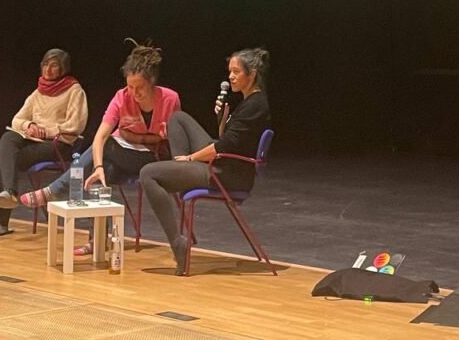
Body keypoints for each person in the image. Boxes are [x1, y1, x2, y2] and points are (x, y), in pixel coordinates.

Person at [19, 39, 180, 255]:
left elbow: (168, 140)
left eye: (139, 87)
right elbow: (100, 136)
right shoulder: (121, 97)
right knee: (94, 178)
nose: (134, 93)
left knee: (109, 146)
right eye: (130, 86)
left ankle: (54, 190)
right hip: (120, 155)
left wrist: (136, 137)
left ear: (152, 83)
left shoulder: (170, 99)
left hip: (152, 161)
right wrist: (99, 168)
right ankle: (97, 240)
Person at [139, 47, 271, 273]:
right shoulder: (248, 101)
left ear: (253, 74)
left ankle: (178, 243)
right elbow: (226, 137)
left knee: (147, 174)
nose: (230, 77)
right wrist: (222, 118)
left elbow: (223, 146)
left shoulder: (256, 105)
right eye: (230, 71)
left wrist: (191, 158)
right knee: (178, 119)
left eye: (236, 72)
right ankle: (180, 175)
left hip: (228, 174)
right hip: (224, 163)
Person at [0, 48, 88, 236]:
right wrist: (29, 125)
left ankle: (1, 220)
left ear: (63, 68)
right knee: (8, 139)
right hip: (35, 141)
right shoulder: (39, 92)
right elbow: (16, 120)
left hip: (59, 145)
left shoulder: (74, 90)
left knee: (6, 160)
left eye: (54, 65)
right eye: (45, 64)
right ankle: (9, 193)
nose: (48, 69)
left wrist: (47, 131)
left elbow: (76, 125)